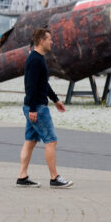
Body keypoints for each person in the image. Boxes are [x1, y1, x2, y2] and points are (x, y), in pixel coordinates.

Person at [17, 28, 73, 189]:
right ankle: (54, 178)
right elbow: (31, 87)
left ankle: (22, 177)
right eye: (50, 39)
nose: (52, 42)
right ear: (42, 41)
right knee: (51, 141)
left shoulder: (37, 58)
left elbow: (43, 84)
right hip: (37, 108)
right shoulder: (35, 60)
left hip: (32, 106)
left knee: (30, 141)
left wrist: (55, 100)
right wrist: (33, 109)